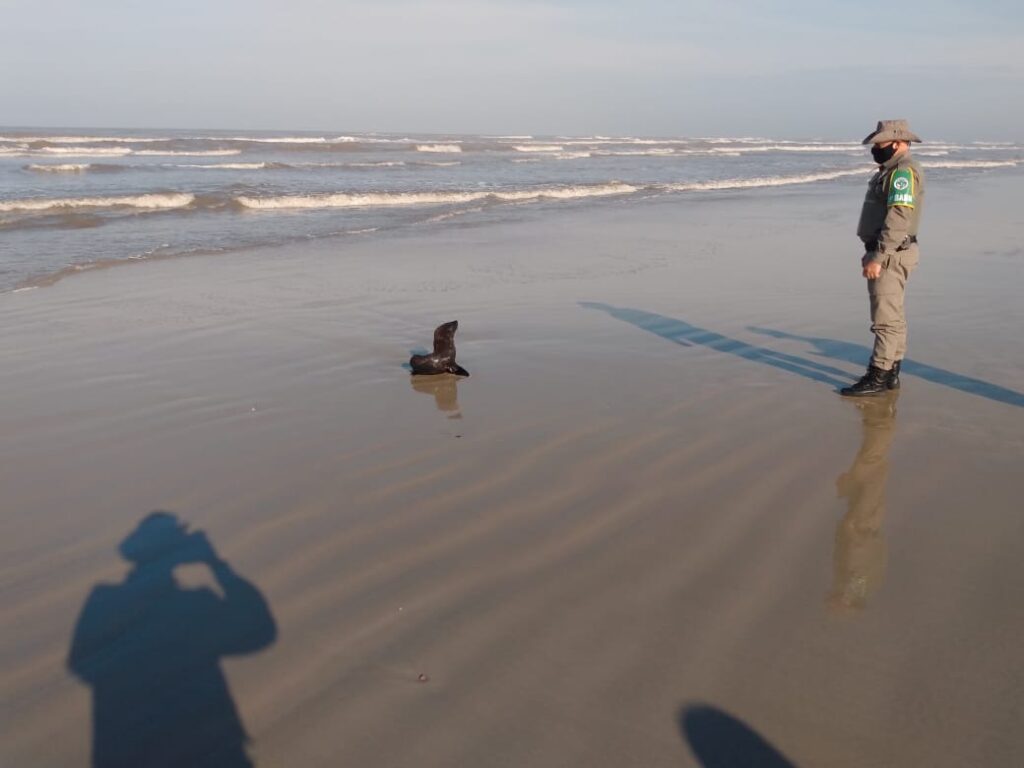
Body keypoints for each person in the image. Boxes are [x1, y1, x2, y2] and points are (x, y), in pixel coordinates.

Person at [68, 512, 276, 768]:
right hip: (206, 749)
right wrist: (216, 564)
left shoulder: (103, 600)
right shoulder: (195, 606)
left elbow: (80, 664)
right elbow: (259, 631)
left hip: (128, 752)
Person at [841, 119, 925, 397]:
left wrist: (877, 256)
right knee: (894, 317)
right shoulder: (890, 171)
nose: (876, 149)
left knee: (885, 319)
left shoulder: (901, 173)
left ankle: (878, 375)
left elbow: (898, 218)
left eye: (880, 144)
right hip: (894, 251)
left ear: (899, 143)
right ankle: (891, 373)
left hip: (890, 253)